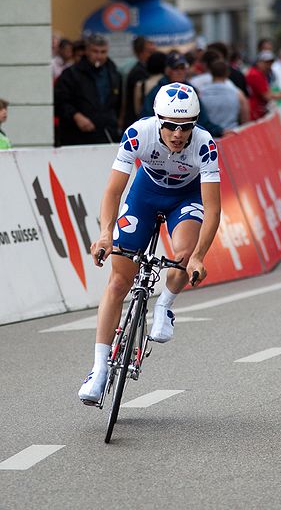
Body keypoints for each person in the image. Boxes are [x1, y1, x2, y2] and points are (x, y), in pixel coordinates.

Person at [78, 83, 221, 404]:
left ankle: (164, 306)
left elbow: (213, 209)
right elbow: (114, 191)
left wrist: (199, 256)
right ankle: (99, 369)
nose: (177, 133)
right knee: (118, 282)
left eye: (186, 126)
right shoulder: (138, 133)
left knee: (183, 253)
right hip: (145, 194)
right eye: (170, 125)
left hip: (186, 197)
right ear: (157, 120)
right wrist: (104, 234)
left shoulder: (205, 145)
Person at [54, 33, 122, 146]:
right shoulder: (71, 74)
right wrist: (75, 115)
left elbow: (118, 103)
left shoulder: (114, 74)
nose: (99, 56)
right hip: (77, 136)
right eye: (95, 51)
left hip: (107, 134)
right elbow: (60, 101)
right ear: (87, 51)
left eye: (103, 52)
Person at [140, 51, 225, 139]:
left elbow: (202, 120)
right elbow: (147, 120)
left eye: (182, 68)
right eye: (176, 68)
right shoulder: (157, 92)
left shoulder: (190, 91)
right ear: (168, 70)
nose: (180, 72)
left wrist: (220, 131)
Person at [200, 60, 249, 130]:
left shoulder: (201, 93)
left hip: (210, 136)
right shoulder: (238, 93)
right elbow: (245, 118)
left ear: (211, 73)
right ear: (227, 73)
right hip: (232, 134)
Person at [123, 36, 156, 129]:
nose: (152, 55)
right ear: (140, 53)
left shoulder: (145, 70)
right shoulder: (138, 73)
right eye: (150, 52)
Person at [246, 51, 281, 121]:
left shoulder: (261, 74)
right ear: (259, 62)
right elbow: (266, 96)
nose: (269, 65)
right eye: (266, 63)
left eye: (270, 63)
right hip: (253, 112)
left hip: (258, 111)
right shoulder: (255, 75)